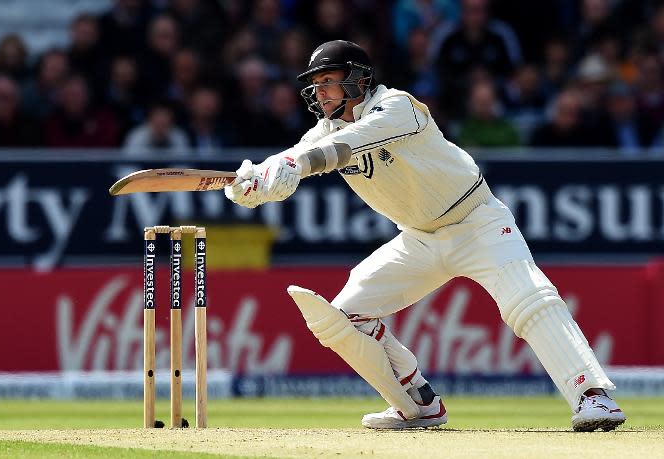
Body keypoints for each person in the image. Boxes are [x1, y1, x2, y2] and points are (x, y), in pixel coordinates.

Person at [224, 40, 626, 432]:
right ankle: (416, 403)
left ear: (358, 80)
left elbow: (344, 146)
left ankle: (593, 395)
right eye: (316, 84)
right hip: (417, 239)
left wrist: (295, 163)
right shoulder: (324, 130)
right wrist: (254, 179)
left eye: (329, 80)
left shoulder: (398, 106)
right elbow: (294, 155)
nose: (320, 91)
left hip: (477, 223)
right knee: (340, 319)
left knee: (530, 301)